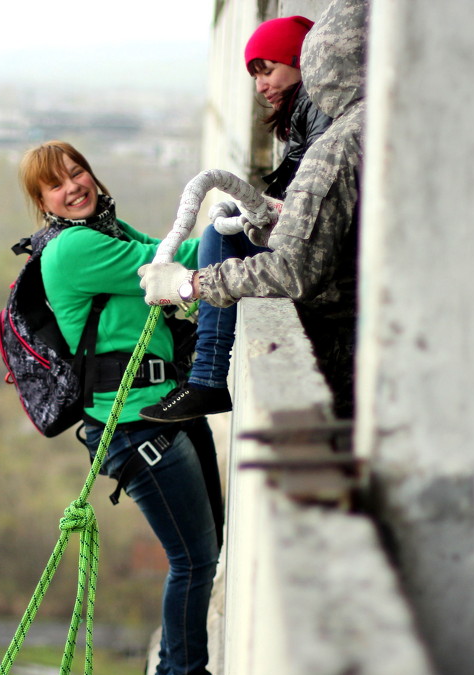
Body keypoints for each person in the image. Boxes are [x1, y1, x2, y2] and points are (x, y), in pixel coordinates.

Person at [18, 141, 225, 675]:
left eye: (77, 170)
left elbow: (155, 253)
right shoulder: (74, 247)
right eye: (56, 184)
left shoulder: (106, 227)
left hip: (163, 407)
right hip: (135, 423)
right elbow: (164, 267)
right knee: (193, 559)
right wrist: (237, 236)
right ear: (42, 202)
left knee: (202, 551)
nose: (74, 186)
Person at [139, 0, 367, 419]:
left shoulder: (336, 139)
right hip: (375, 320)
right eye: (255, 75)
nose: (261, 85)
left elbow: (296, 267)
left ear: (312, 61)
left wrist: (190, 284)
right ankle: (204, 375)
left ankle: (206, 378)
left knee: (219, 238)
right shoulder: (368, 122)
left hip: (344, 324)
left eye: (269, 69)